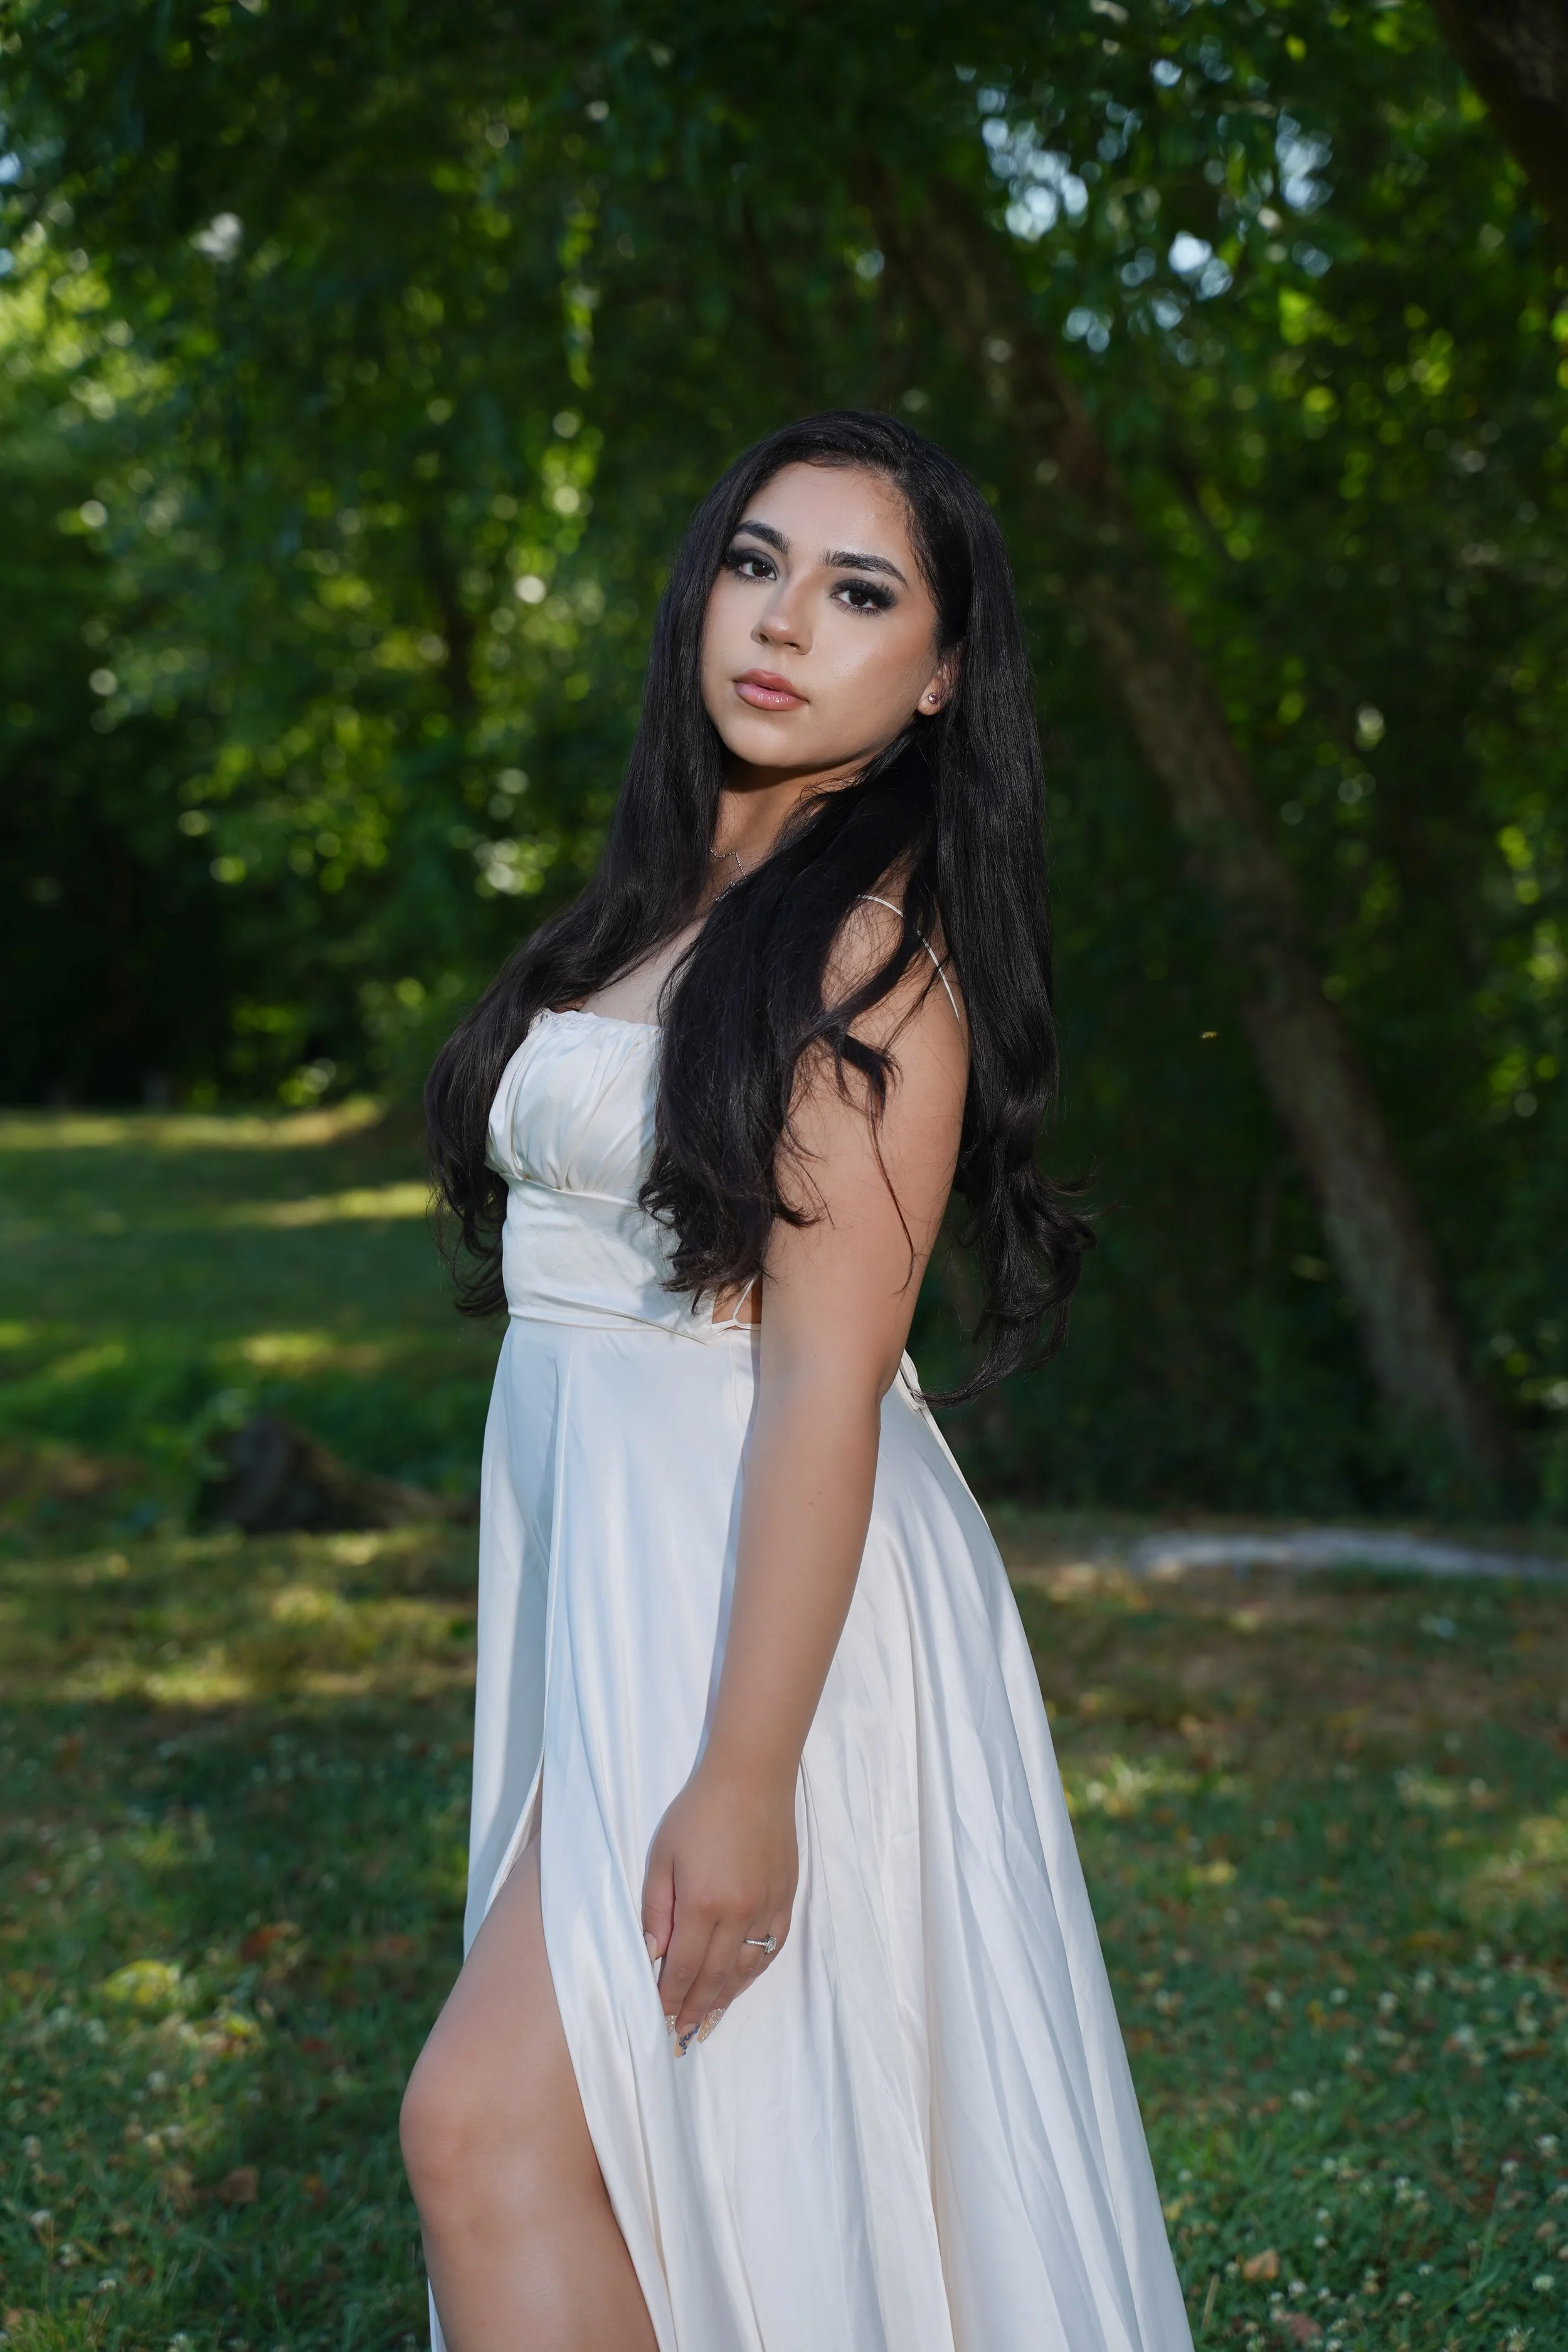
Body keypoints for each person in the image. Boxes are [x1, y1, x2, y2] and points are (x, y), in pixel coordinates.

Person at [404, 411, 1192, 2352]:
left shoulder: (873, 960)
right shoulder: (656, 907)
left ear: (935, 678)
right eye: (756, 563)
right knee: (620, 2149)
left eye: (856, 591)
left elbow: (826, 1389)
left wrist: (746, 1779)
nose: (780, 620)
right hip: (617, 1561)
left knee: (481, 2123)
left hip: (764, 1591)